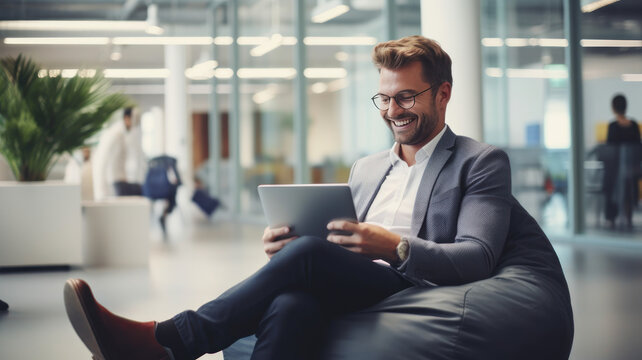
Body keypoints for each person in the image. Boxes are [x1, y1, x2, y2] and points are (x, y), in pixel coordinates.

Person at [63, 36, 572, 360]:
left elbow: (478, 258)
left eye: (407, 97)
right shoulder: (366, 167)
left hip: (414, 284)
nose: (393, 110)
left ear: (443, 94)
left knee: (305, 265)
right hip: (355, 278)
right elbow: (334, 236)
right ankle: (170, 344)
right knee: (291, 300)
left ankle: (171, 341)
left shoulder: (479, 161)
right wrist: (286, 239)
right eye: (385, 97)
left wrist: (391, 245)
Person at [603, 94, 640, 228]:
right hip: (631, 169)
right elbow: (638, 147)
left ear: (613, 108)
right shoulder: (634, 125)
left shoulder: (613, 126)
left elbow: (609, 149)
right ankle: (628, 218)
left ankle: (611, 219)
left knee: (610, 187)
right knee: (628, 191)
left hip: (615, 170)